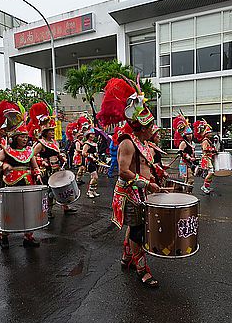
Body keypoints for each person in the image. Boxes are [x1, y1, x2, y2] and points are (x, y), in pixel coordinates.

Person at [97, 76, 163, 288]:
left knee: (136, 228)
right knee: (137, 232)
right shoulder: (127, 142)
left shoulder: (143, 142)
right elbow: (124, 172)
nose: (153, 128)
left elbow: (145, 165)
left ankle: (126, 259)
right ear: (142, 127)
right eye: (151, 125)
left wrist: (157, 172)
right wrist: (147, 184)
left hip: (140, 192)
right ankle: (142, 270)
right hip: (130, 193)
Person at [0, 100, 43, 248]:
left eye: (26, 137)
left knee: (28, 209)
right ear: (14, 138)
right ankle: (4, 235)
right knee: (11, 211)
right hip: (11, 184)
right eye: (22, 137)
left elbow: (34, 165)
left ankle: (28, 237)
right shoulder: (6, 150)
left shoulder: (29, 150)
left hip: (28, 182)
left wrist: (38, 174)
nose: (25, 139)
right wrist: (4, 165)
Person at [27, 101, 77, 217]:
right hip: (47, 170)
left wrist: (62, 157)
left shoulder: (55, 143)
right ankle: (48, 211)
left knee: (61, 188)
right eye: (51, 131)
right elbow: (32, 156)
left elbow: (58, 153)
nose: (53, 133)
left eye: (53, 131)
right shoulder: (40, 144)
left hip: (57, 168)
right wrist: (42, 162)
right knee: (50, 191)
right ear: (45, 132)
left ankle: (65, 207)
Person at [173, 112, 196, 194]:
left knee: (190, 180)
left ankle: (188, 192)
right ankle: (186, 193)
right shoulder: (183, 143)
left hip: (191, 163)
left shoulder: (192, 143)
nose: (190, 135)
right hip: (185, 163)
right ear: (185, 135)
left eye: (191, 134)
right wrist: (189, 157)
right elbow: (181, 153)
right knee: (189, 179)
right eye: (188, 134)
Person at [194, 119, 216, 194]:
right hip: (206, 159)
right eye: (209, 132)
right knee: (211, 172)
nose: (211, 134)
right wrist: (212, 150)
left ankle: (207, 186)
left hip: (208, 158)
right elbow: (205, 149)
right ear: (206, 133)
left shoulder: (208, 140)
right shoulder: (205, 141)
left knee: (210, 173)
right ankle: (204, 186)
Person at [82, 128, 101, 198]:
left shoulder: (95, 144)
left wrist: (96, 155)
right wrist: (91, 156)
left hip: (95, 162)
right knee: (95, 177)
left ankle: (93, 190)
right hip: (89, 162)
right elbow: (83, 153)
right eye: (91, 134)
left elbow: (95, 152)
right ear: (88, 135)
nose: (93, 136)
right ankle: (89, 191)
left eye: (93, 134)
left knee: (94, 177)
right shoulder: (86, 144)